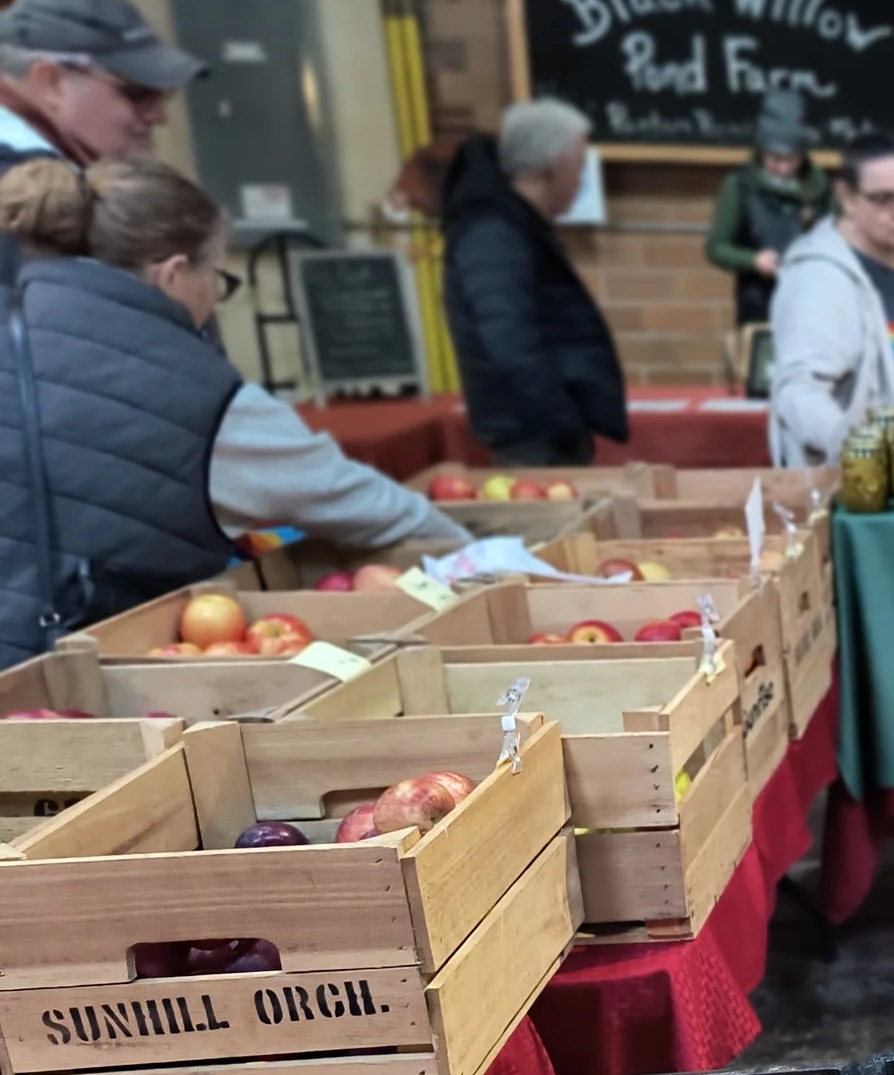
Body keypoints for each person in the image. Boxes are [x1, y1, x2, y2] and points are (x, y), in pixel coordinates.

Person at [0, 156, 468, 666]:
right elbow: (354, 500)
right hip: (82, 686)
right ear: (173, 274)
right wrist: (479, 566)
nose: (215, 302)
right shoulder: (199, 395)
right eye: (216, 278)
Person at [441, 100, 626, 466]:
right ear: (555, 168)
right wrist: (562, 419)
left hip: (544, 429)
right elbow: (507, 339)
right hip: (532, 437)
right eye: (579, 166)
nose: (581, 180)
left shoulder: (517, 225)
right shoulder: (493, 233)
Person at [772, 131, 894, 461]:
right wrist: (860, 451)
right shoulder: (821, 278)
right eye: (883, 199)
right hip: (882, 494)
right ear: (847, 197)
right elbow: (796, 390)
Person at [0, 0, 203, 290]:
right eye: (138, 93)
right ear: (52, 82)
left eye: (164, 95)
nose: (159, 116)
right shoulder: (25, 206)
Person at [704, 90, 830, 327]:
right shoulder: (739, 186)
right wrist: (753, 260)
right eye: (775, 159)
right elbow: (716, 248)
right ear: (761, 150)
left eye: (792, 159)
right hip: (760, 305)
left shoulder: (820, 188)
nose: (783, 168)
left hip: (812, 304)